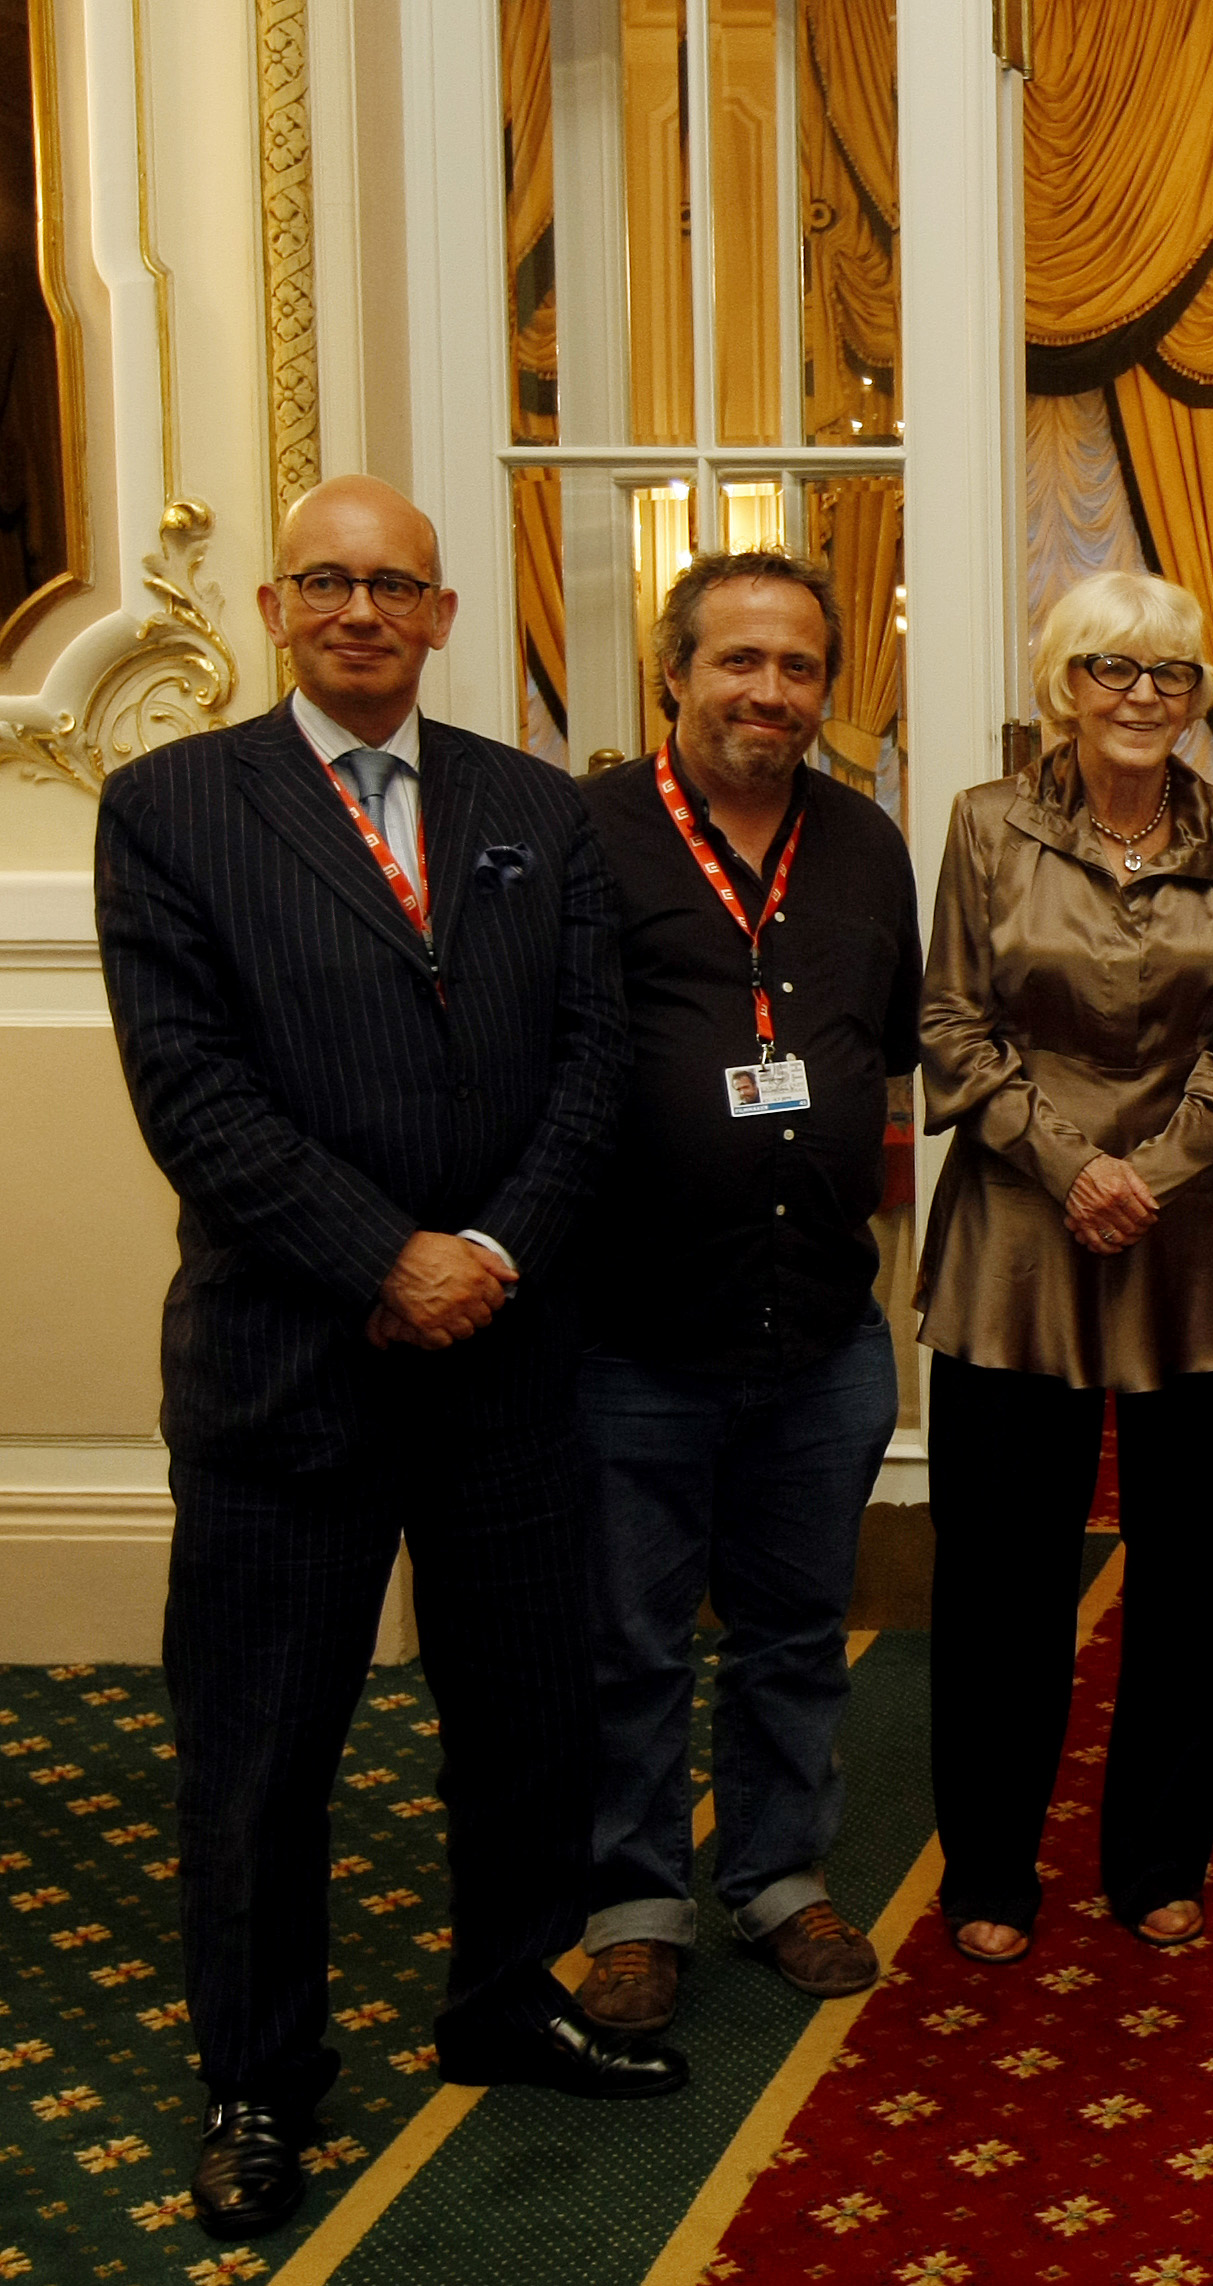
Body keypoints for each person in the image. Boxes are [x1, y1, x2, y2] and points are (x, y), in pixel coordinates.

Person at [94, 477, 673, 2244]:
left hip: (503, 1362)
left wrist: (487, 1254)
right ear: (275, 607)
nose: (361, 609)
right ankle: (260, 2078)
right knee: (260, 1754)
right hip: (292, 1368)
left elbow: (594, 1058)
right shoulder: (171, 807)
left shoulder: (535, 805)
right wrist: (384, 1258)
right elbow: (191, 1090)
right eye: (328, 581)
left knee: (525, 1722)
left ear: (441, 614)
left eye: (394, 585)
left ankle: (504, 1996)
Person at [918, 571, 1213, 1965]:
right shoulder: (984, 824)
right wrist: (1071, 1165)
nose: (1142, 695)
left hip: (1196, 1243)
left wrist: (1154, 1172)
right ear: (1061, 685)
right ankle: (990, 1866)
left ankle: (1156, 1860)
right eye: (1110, 668)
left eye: (1170, 673)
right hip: (1018, 1239)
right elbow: (949, 1023)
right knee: (1001, 1578)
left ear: (1199, 697)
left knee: (1189, 1577)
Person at [567, 552, 920, 2039]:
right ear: (675, 672)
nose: (770, 691)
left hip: (822, 1325)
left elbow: (886, 1044)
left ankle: (778, 1873)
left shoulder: (864, 842)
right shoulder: (586, 837)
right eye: (739, 660)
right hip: (635, 1332)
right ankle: (633, 1907)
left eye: (799, 666)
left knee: (794, 1630)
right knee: (632, 1641)